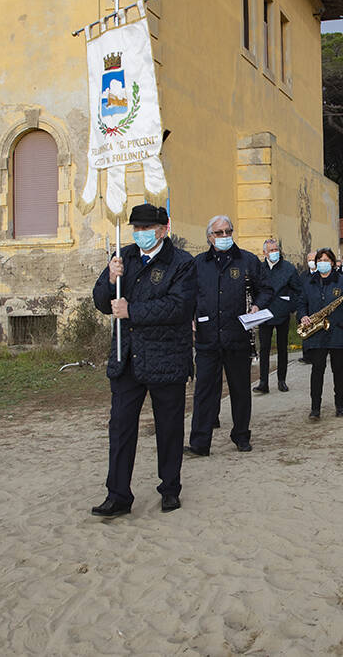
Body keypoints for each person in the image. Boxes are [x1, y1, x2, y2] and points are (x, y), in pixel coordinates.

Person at [90, 203, 196, 518]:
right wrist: (110, 279)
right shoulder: (124, 256)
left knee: (169, 427)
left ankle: (170, 489)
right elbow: (100, 301)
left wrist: (132, 311)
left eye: (147, 229)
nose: (141, 235)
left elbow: (178, 307)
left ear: (164, 229)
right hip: (128, 358)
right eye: (137, 229)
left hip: (167, 358)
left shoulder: (182, 263)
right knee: (121, 428)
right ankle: (118, 494)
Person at [186, 215, 273, 456]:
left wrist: (257, 305)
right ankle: (200, 443)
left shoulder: (247, 260)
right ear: (209, 237)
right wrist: (191, 316)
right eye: (219, 233)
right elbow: (189, 295)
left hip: (237, 336)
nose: (225, 236)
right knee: (204, 392)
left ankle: (241, 436)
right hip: (207, 337)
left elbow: (266, 289)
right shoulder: (198, 264)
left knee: (240, 390)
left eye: (228, 231)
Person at [298, 248, 343, 420]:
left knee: (338, 369)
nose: (322, 262)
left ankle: (340, 405)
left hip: (338, 330)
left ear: (332, 262)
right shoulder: (309, 282)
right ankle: (315, 408)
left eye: (326, 259)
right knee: (317, 370)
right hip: (316, 332)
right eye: (319, 260)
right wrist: (303, 316)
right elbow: (301, 303)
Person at [255, 238, 300, 394]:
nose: (274, 252)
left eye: (276, 249)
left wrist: (290, 306)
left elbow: (297, 290)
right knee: (264, 348)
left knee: (282, 347)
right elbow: (255, 290)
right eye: (271, 250)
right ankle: (263, 382)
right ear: (264, 252)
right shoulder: (259, 269)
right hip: (264, 313)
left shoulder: (288, 268)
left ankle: (282, 380)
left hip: (282, 312)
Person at [297, 251, 318, 365]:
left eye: (313, 259)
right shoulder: (303, 275)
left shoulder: (321, 274)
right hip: (305, 307)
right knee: (306, 331)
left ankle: (317, 354)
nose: (311, 262)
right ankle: (306, 355)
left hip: (317, 307)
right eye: (309, 260)